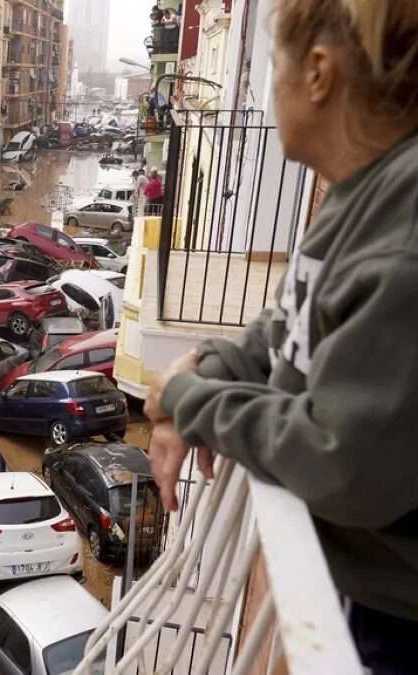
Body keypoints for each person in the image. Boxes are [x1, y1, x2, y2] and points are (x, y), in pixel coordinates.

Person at [143, 2, 418, 672]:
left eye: (273, 65)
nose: (270, 87)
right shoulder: (361, 195)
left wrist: (191, 399)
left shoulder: (403, 232)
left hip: (394, 627)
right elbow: (284, 326)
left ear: (319, 74)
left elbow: (338, 458)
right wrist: (211, 362)